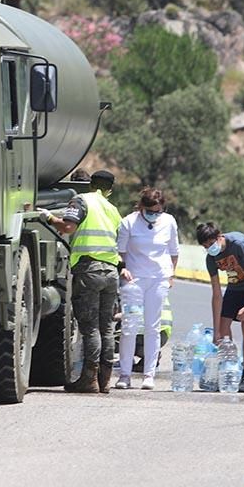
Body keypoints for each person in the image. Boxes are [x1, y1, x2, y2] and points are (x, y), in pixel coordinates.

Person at [44, 169, 122, 394]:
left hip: (89, 270)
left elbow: (68, 227)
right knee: (106, 326)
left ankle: (89, 380)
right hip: (111, 272)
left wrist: (49, 218)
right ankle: (105, 380)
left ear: (90, 184)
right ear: (110, 189)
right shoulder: (113, 209)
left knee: (89, 328)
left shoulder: (81, 200)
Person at [195, 222, 244, 393]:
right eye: (205, 246)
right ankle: (230, 368)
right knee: (223, 329)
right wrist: (216, 332)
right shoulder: (211, 258)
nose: (209, 248)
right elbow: (216, 294)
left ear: (219, 237)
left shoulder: (238, 244)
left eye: (211, 243)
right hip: (236, 285)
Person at [114, 187, 178, 390]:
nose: (154, 215)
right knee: (130, 327)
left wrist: (171, 274)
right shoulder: (129, 222)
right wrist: (123, 269)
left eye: (157, 211)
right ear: (142, 207)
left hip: (158, 279)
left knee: (153, 327)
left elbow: (174, 251)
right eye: (150, 211)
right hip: (134, 281)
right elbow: (120, 252)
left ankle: (149, 374)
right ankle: (125, 374)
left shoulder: (169, 222)